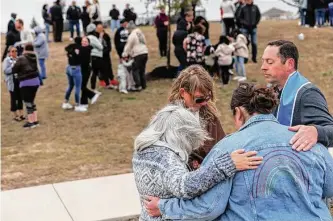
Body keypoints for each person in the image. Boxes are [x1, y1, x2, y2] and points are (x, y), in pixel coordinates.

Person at [144, 82, 333, 221]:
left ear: (239, 112)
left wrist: (163, 207)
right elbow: (329, 189)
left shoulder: (228, 150)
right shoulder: (309, 141)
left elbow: (207, 208)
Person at [133, 102, 263, 221]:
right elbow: (185, 186)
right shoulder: (164, 157)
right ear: (181, 135)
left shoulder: (141, 152)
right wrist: (227, 164)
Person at [261, 40, 333, 149]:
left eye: (269, 62)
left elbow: (330, 128)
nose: (263, 67)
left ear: (289, 64)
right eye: (263, 61)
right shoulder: (271, 90)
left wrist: (316, 131)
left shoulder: (307, 94)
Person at [168, 65, 225, 168]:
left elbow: (223, 146)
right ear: (182, 93)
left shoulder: (210, 116)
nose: (204, 103)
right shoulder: (170, 120)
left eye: (207, 98)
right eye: (199, 99)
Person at [12, 44, 40, 128]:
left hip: (26, 82)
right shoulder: (35, 57)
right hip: (35, 81)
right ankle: (35, 120)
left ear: (25, 49)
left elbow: (14, 69)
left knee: (28, 102)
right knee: (32, 101)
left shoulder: (21, 58)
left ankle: (30, 122)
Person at [62, 37, 87, 112]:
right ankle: (77, 105)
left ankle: (65, 102)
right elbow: (82, 58)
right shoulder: (80, 49)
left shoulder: (70, 47)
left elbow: (66, 49)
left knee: (70, 85)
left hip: (69, 67)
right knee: (77, 87)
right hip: (76, 68)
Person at [122, 21, 148, 91]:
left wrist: (125, 54)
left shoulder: (132, 35)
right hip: (145, 52)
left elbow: (128, 45)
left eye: (128, 29)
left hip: (138, 54)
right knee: (142, 70)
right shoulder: (140, 33)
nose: (128, 31)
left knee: (135, 70)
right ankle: (144, 85)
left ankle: (138, 85)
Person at [86, 23, 112, 92]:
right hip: (96, 57)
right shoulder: (93, 38)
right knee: (101, 70)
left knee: (95, 72)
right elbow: (100, 46)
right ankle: (107, 84)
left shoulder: (87, 37)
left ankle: (94, 87)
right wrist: (100, 37)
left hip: (92, 57)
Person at [3, 46, 25, 121]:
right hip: (12, 82)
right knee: (13, 98)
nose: (15, 52)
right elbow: (6, 71)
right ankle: (15, 115)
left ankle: (21, 114)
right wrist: (14, 67)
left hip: (19, 81)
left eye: (16, 51)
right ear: (9, 52)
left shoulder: (19, 59)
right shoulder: (7, 60)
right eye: (12, 51)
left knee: (20, 98)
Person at [80, 36, 100, 108]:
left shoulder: (87, 49)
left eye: (86, 42)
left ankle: (92, 95)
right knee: (83, 86)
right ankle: (84, 102)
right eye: (83, 41)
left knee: (81, 86)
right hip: (82, 70)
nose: (84, 43)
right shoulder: (82, 49)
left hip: (86, 70)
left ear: (88, 43)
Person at [95, 23, 116, 88]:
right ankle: (102, 80)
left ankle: (111, 79)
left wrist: (107, 51)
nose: (100, 30)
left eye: (101, 28)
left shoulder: (106, 35)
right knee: (101, 68)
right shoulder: (95, 36)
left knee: (109, 66)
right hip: (99, 55)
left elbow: (109, 45)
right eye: (98, 29)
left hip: (106, 54)